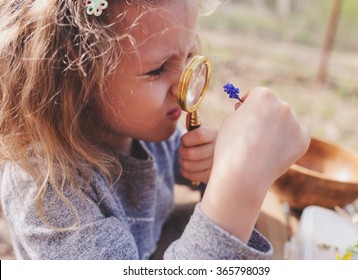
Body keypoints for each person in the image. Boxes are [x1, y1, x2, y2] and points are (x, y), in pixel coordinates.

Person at [0, 0, 310, 260]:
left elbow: (186, 166)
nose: (184, 89)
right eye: (158, 69)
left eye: (188, 57)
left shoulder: (147, 132)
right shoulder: (47, 191)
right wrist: (239, 183)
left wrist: (213, 159)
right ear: (75, 80)